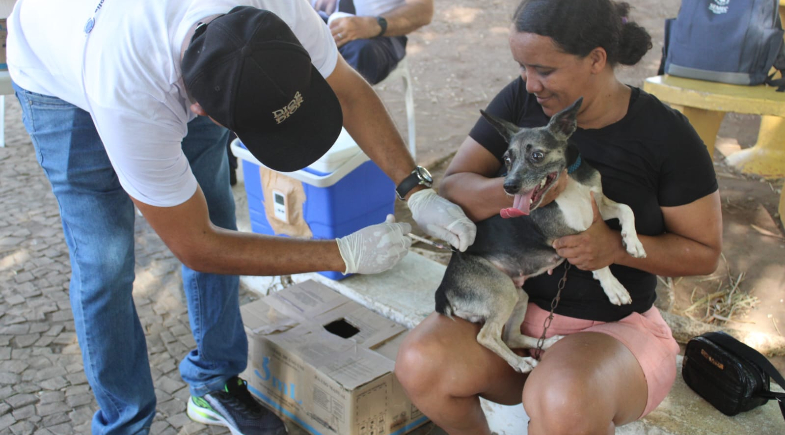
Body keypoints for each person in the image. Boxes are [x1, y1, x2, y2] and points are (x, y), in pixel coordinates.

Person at [6, 1, 476, 434]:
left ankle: (215, 381)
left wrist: (417, 192)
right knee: (104, 265)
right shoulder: (129, 93)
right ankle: (124, 421)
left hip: (158, 54)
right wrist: (342, 252)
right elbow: (197, 245)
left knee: (216, 209)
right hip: (60, 75)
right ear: (204, 111)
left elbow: (349, 92)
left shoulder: (275, 8)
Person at [394, 0, 723, 434]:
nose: (530, 84)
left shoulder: (665, 134)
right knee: (421, 362)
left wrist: (614, 248)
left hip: (613, 332)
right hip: (514, 315)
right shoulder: (521, 100)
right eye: (522, 67)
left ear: (596, 59)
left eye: (544, 70)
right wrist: (520, 187)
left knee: (561, 399)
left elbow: (703, 255)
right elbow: (454, 185)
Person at [311, 0, 433, 84]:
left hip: (379, 32)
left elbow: (423, 9)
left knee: (360, 53)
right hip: (317, 20)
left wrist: (373, 25)